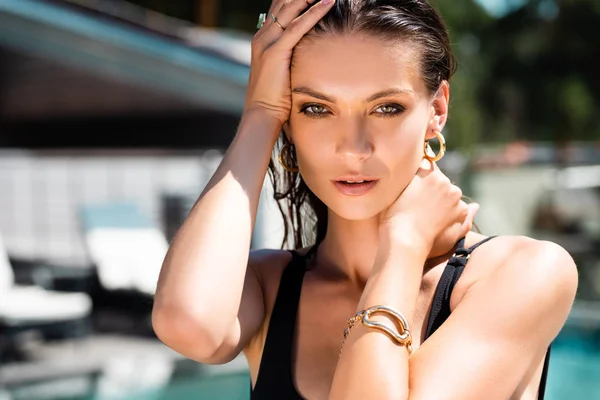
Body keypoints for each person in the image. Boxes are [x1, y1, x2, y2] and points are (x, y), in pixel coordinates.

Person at [152, 0, 579, 398]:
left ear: (437, 110)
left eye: (386, 108)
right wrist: (261, 112)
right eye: (317, 109)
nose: (353, 149)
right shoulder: (270, 286)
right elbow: (185, 324)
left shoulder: (524, 274)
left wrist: (405, 246)